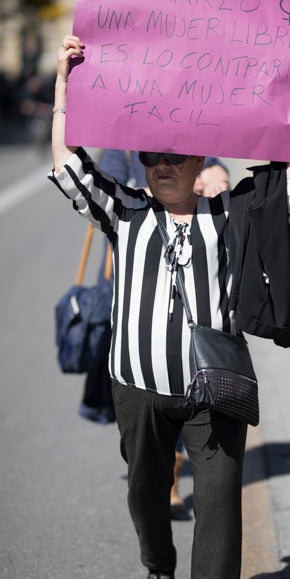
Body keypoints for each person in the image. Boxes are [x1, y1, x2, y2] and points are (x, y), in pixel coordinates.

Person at [50, 34, 290, 579]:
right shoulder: (123, 212)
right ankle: (158, 560)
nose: (161, 165)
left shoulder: (231, 213)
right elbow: (68, 163)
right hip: (138, 386)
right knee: (147, 490)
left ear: (199, 154)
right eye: (151, 156)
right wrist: (65, 85)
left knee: (222, 500)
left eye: (174, 155)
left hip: (214, 386)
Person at [79, 148, 231, 519]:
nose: (162, 160)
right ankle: (154, 469)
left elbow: (211, 166)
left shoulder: (190, 133)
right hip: (132, 271)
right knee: (139, 375)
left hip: (184, 278)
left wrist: (217, 173)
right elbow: (111, 187)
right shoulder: (120, 147)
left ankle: (175, 476)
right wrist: (164, 184)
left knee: (178, 369)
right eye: (152, 156)